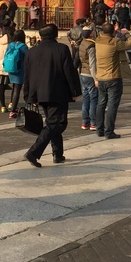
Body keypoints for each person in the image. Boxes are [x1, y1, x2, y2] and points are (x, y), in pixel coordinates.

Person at [24, 24, 82, 167]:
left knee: (55, 122)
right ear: (55, 35)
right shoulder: (61, 49)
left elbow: (27, 75)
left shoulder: (32, 52)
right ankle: (33, 152)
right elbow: (69, 71)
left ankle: (58, 153)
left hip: (39, 93)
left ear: (40, 36)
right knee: (54, 123)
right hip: (57, 92)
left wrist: (29, 96)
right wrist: (75, 91)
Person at [92, 23, 130, 139]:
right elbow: (130, 45)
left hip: (101, 77)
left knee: (101, 103)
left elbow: (97, 34)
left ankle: (99, 129)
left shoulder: (97, 41)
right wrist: (127, 34)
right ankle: (109, 131)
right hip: (113, 77)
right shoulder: (115, 42)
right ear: (113, 32)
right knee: (112, 104)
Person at [2, 30, 28, 117]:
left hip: (11, 68)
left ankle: (13, 105)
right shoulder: (22, 46)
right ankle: (13, 110)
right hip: (20, 69)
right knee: (17, 88)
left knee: (14, 87)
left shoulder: (11, 45)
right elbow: (28, 56)